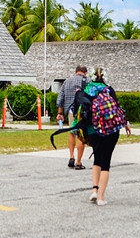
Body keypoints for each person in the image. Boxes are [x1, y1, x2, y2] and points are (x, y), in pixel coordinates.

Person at [84, 70, 131, 206]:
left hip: (93, 129)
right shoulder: (109, 90)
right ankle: (101, 197)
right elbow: (117, 108)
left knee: (96, 159)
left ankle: (94, 189)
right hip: (110, 129)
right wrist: (126, 123)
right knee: (106, 162)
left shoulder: (88, 89)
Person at [56, 64, 88, 169]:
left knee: (71, 132)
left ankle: (71, 156)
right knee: (81, 135)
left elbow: (60, 98)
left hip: (70, 111)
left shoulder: (67, 81)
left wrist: (60, 113)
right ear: (85, 72)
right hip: (82, 111)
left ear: (76, 72)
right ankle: (78, 162)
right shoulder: (88, 81)